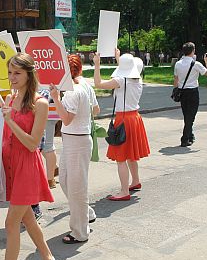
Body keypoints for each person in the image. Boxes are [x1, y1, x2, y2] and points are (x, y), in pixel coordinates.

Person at [0, 53, 56, 260]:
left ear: (29, 74)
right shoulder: (11, 97)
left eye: (17, 73)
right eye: (10, 72)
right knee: (27, 219)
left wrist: (10, 120)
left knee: (11, 224)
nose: (12, 77)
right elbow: (4, 127)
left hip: (27, 168)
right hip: (10, 165)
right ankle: (46, 258)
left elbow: (33, 144)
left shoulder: (40, 103)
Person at [49, 54, 100, 244]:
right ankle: (86, 213)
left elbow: (66, 119)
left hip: (76, 141)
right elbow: (96, 110)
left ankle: (80, 232)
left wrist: (56, 99)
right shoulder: (85, 85)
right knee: (65, 180)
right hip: (77, 139)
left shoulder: (72, 91)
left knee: (75, 187)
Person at [93, 49, 150, 201]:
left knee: (121, 158)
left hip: (123, 118)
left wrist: (97, 65)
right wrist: (119, 58)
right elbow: (125, 72)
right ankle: (135, 181)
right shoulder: (137, 80)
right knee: (131, 155)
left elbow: (98, 84)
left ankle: (124, 191)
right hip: (135, 118)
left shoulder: (120, 81)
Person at [173, 42, 207, 147]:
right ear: (193, 51)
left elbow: (175, 80)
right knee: (191, 117)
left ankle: (190, 135)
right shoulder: (196, 64)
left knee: (187, 115)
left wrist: (176, 90)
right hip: (192, 92)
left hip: (182, 92)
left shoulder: (178, 63)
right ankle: (184, 139)